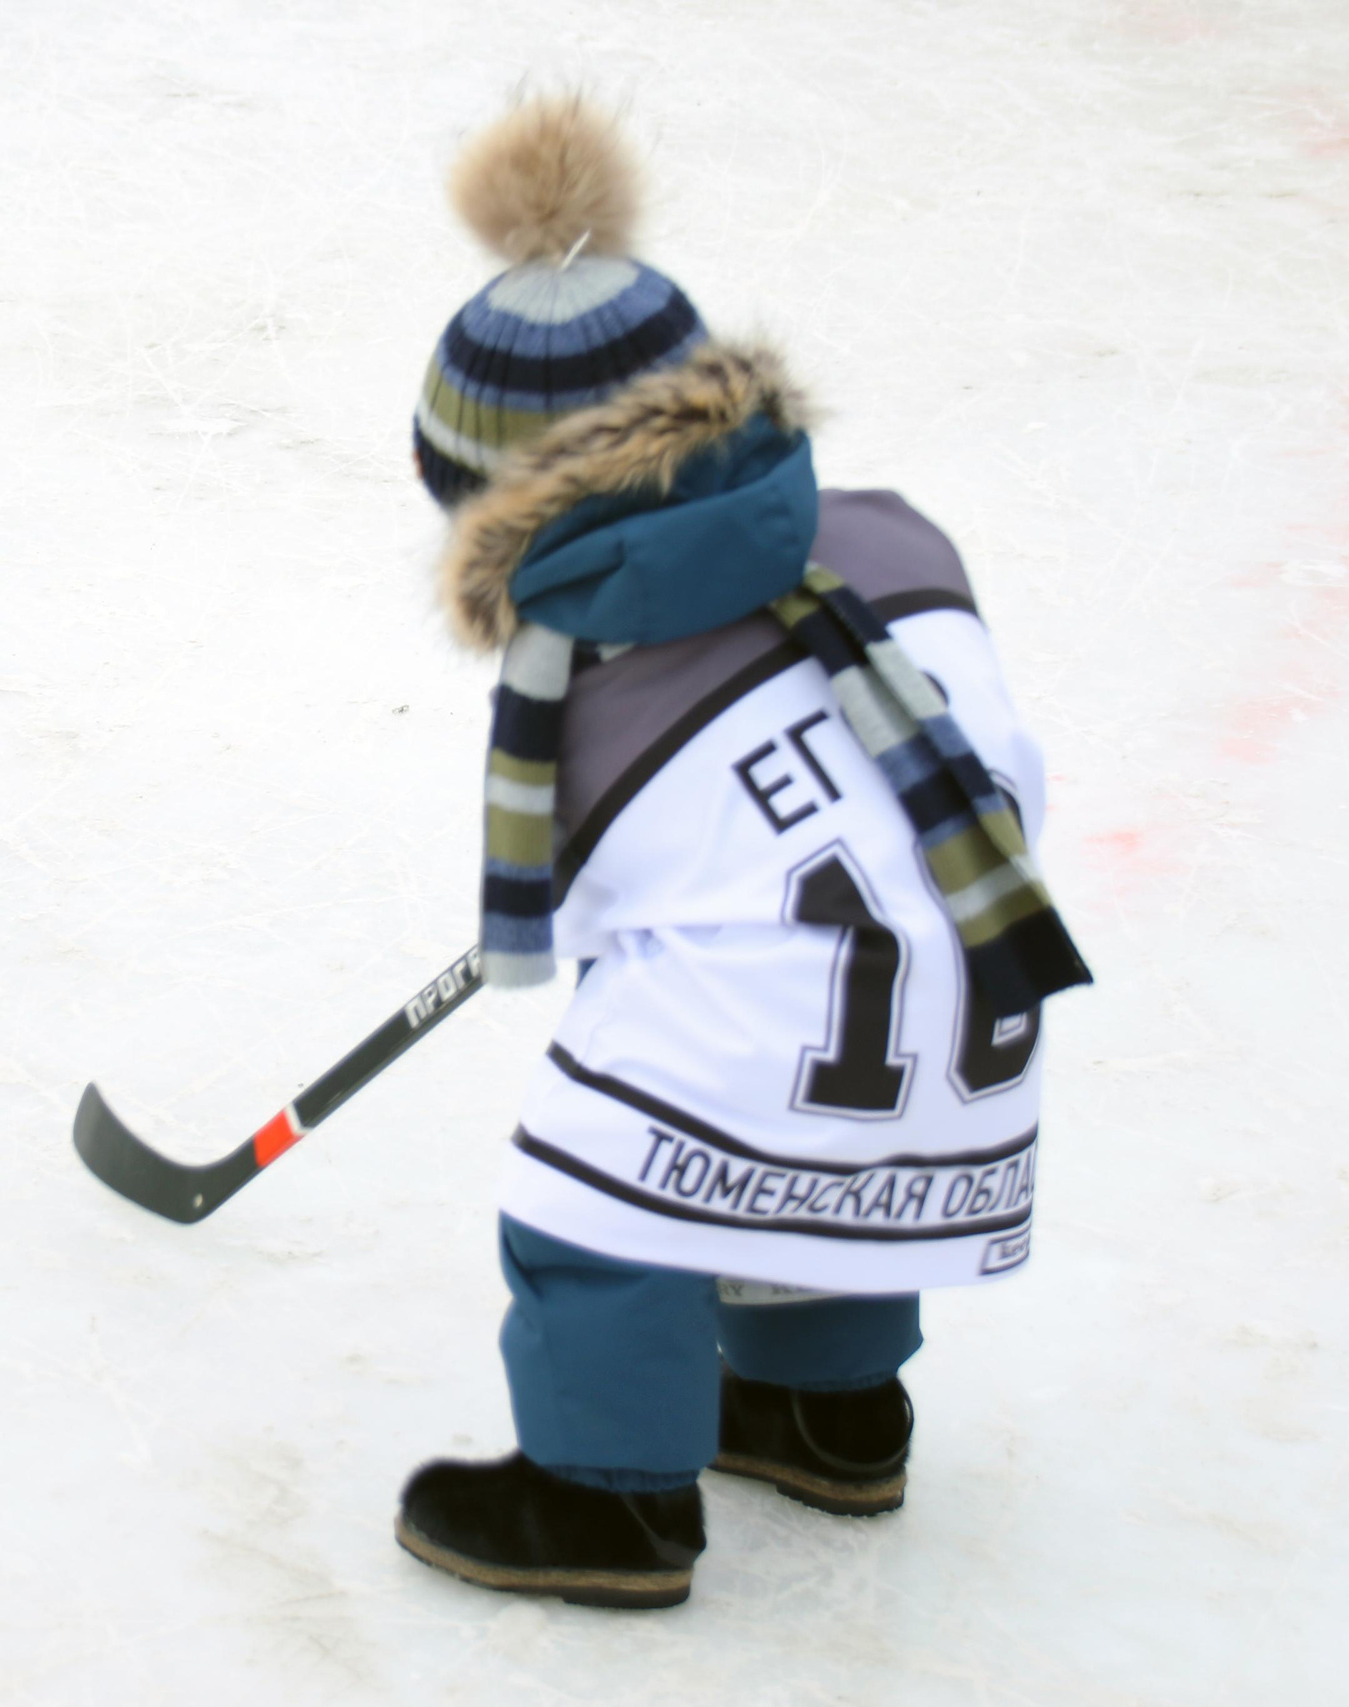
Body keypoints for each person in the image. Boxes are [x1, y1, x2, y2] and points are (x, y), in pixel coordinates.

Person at [395, 95, 1090, 1610]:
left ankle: (606, 1504)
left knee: (603, 1189)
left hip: (794, 1033)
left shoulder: (577, 693)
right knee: (801, 1128)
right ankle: (826, 1412)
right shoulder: (903, 540)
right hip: (977, 1036)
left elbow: (585, 916)